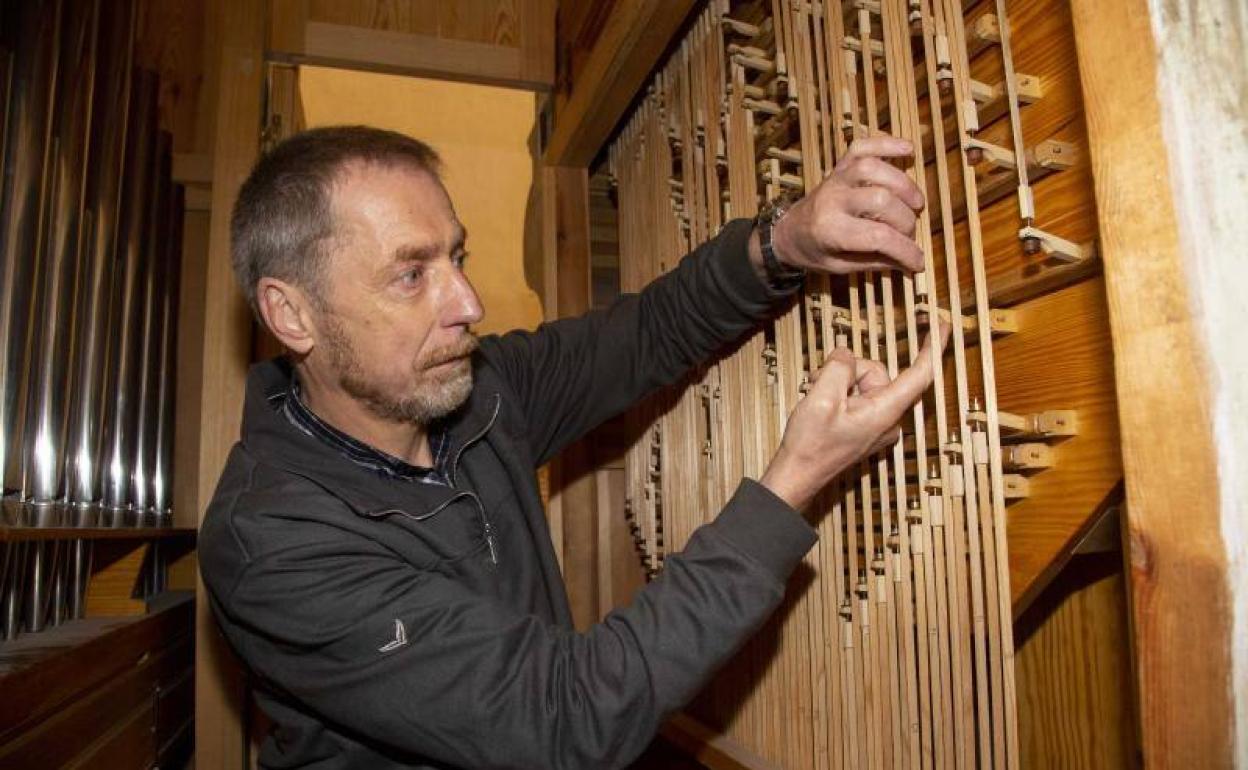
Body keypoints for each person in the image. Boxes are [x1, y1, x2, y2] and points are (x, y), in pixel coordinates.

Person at [198, 125, 946, 770]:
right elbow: (565, 719)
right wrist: (794, 482)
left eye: (458, 257)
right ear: (292, 314)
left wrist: (785, 241)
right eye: (411, 274)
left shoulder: (475, 390)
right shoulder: (273, 543)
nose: (468, 304)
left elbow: (645, 335)